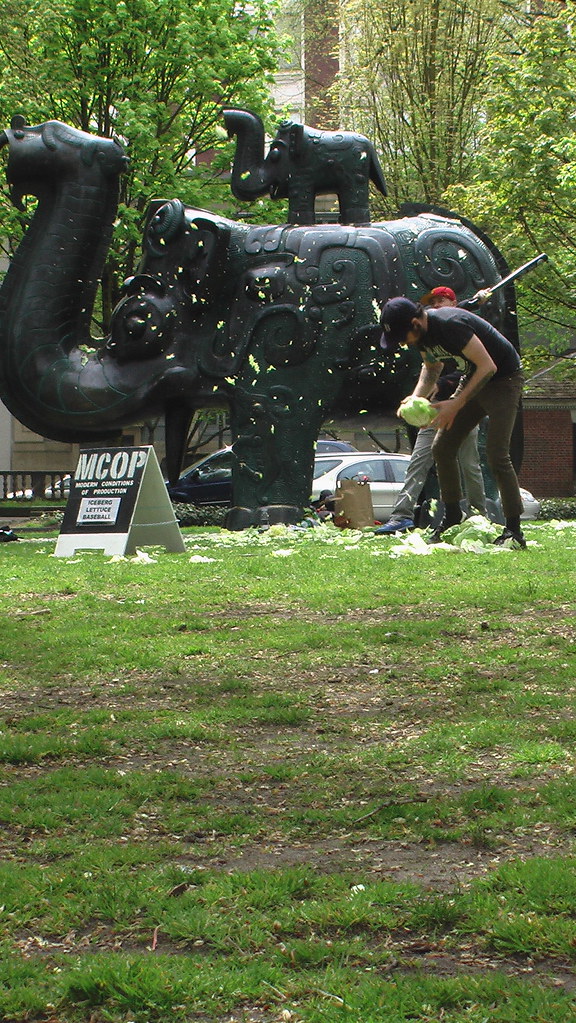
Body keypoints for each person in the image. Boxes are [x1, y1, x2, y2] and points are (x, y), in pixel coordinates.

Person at [379, 296, 525, 547]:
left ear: (415, 323)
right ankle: (452, 516)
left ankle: (514, 530)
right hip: (473, 377)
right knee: (442, 447)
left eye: (403, 337)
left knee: (497, 455)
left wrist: (455, 405)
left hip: (503, 380)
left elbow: (488, 367)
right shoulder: (422, 336)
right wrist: (415, 399)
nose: (402, 343)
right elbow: (431, 368)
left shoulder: (450, 324)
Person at [375, 370, 487, 533]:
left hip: (463, 412)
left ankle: (478, 516)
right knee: (417, 465)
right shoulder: (428, 351)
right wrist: (416, 403)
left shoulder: (465, 347)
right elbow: (427, 375)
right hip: (433, 414)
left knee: (469, 466)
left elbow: (474, 373)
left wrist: (441, 383)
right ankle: (401, 517)